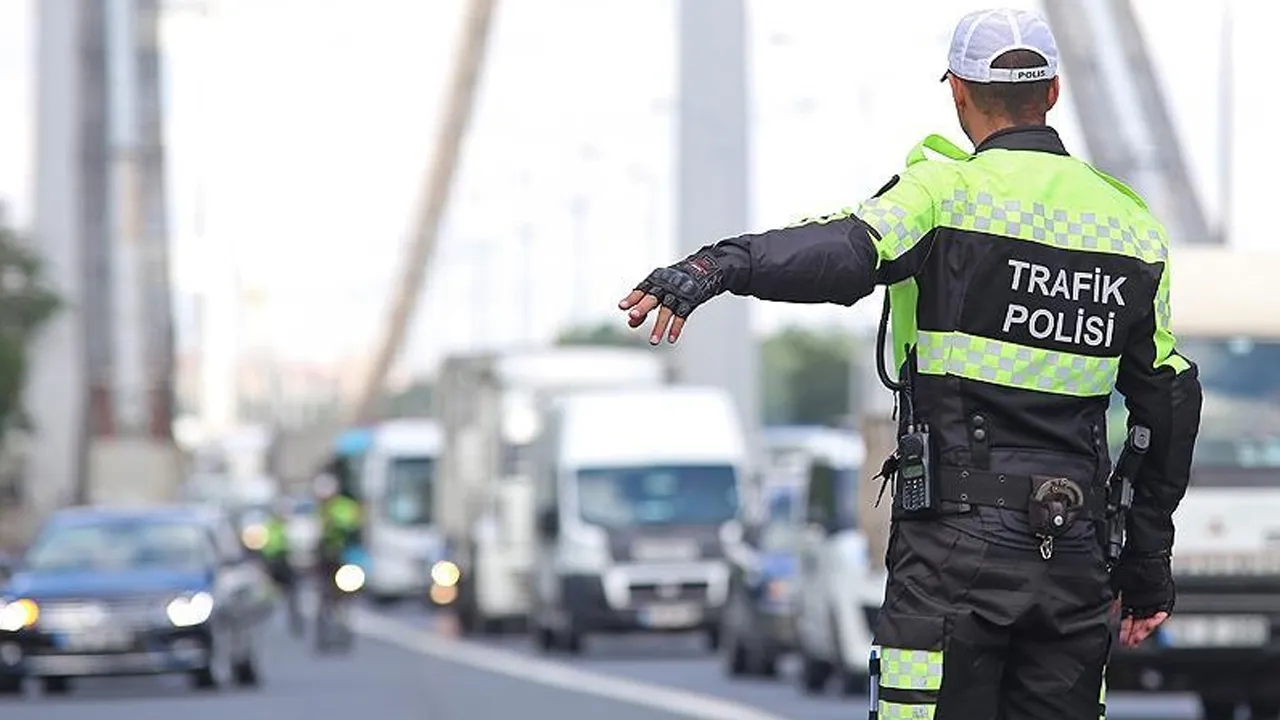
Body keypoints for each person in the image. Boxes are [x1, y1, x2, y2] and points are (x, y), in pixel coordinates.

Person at [617, 8, 1202, 720]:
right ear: (1052, 92)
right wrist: (1146, 566)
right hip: (1072, 555)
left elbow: (840, 253)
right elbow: (1168, 403)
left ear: (958, 91)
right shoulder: (1130, 227)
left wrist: (718, 266)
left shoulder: (941, 194)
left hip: (953, 555)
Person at [260, 498, 302, 637]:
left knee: (293, 593)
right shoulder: (270, 527)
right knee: (272, 594)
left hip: (288, 563)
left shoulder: (291, 527)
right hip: (275, 563)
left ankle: (295, 620)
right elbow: (266, 547)